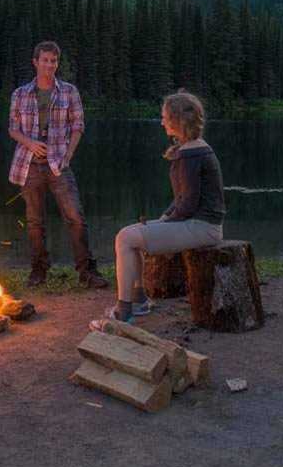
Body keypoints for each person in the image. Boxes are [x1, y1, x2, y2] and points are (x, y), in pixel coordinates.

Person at [92, 91, 225, 327]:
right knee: (133, 233)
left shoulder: (191, 153)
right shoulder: (193, 148)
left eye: (165, 117)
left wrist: (164, 223)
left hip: (203, 228)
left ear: (177, 120)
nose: (162, 121)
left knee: (125, 238)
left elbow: (188, 203)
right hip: (199, 223)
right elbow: (183, 198)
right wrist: (163, 218)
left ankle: (124, 312)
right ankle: (138, 299)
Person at [8, 40, 107, 289]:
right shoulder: (20, 94)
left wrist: (69, 155)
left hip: (58, 164)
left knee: (75, 216)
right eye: (45, 60)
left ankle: (87, 271)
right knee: (34, 220)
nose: (49, 65)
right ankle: (39, 271)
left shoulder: (69, 92)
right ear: (35, 62)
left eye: (53, 61)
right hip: (29, 164)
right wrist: (30, 143)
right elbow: (13, 129)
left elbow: (78, 126)